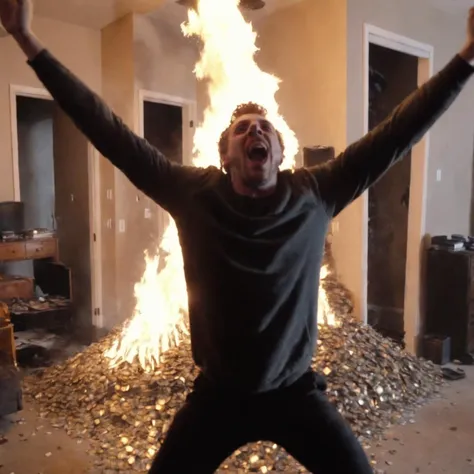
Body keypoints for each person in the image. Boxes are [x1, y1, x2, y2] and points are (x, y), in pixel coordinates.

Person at [2, 0, 474, 472]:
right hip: (218, 397)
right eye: (243, 129)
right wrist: (28, 40)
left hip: (295, 394)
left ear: (279, 152)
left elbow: (397, 133)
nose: (256, 132)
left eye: (264, 128)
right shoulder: (193, 194)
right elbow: (106, 128)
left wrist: (467, 55)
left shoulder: (315, 192)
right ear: (226, 153)